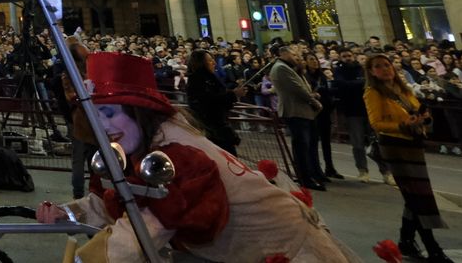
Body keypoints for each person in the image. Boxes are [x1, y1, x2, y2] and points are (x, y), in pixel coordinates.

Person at [35, 53, 360, 262]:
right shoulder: (139, 147)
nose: (102, 126)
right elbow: (120, 203)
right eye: (95, 115)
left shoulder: (175, 158)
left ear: (139, 111)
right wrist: (69, 212)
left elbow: (143, 231)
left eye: (108, 112)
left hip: (286, 251)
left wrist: (84, 259)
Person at [365, 52, 452, 262]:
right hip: (395, 146)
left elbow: (418, 109)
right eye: (378, 66)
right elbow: (376, 123)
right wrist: (404, 125)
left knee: (414, 196)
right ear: (371, 72)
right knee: (418, 197)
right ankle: (433, 249)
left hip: (413, 143)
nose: (384, 69)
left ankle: (406, 240)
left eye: (387, 65)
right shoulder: (373, 92)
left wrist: (425, 118)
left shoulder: (403, 89)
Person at [268, 44, 325, 190]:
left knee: (308, 145)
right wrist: (314, 101)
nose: (297, 58)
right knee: (301, 147)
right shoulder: (281, 68)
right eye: (294, 55)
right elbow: (297, 89)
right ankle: (305, 178)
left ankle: (313, 173)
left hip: (302, 111)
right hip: (295, 111)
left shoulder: (288, 68)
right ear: (285, 54)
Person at [332, 46, 383, 183]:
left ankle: (386, 171)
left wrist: (353, 85)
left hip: (369, 110)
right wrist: (359, 84)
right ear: (340, 58)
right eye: (344, 56)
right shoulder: (338, 71)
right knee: (357, 143)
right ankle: (363, 170)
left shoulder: (362, 69)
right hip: (352, 111)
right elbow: (342, 85)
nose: (347, 58)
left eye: (349, 55)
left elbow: (369, 84)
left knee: (377, 142)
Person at [184, 48, 242, 154]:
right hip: (212, 130)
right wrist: (233, 94)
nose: (214, 63)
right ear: (201, 63)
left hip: (218, 128)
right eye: (210, 60)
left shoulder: (210, 78)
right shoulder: (198, 81)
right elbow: (209, 101)